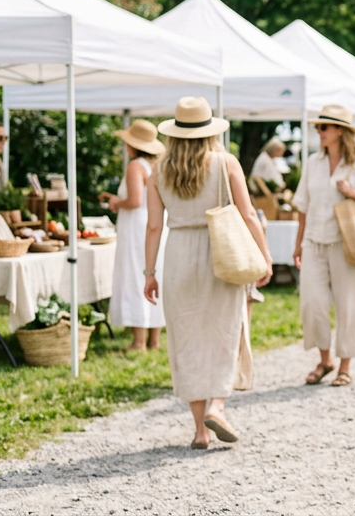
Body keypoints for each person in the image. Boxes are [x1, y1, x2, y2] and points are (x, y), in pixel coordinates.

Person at [143, 97, 270, 449]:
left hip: (179, 253)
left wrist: (149, 272)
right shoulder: (225, 162)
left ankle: (200, 431)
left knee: (187, 339)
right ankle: (218, 405)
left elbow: (154, 226)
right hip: (221, 251)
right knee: (224, 331)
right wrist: (264, 255)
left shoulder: (158, 170)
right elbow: (247, 215)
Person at [291, 105, 355, 387]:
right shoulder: (313, 162)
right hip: (313, 241)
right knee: (313, 305)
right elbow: (302, 206)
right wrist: (298, 244)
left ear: (340, 131)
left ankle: (345, 365)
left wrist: (351, 192)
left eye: (323, 127)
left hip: (349, 244)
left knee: (349, 306)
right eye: (318, 128)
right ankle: (325, 360)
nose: (318, 132)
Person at [103, 120, 166, 351]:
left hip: (136, 228)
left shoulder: (135, 167)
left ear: (132, 145)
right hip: (155, 223)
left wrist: (116, 202)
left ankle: (139, 341)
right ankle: (154, 340)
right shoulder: (156, 165)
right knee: (153, 274)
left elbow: (135, 201)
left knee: (136, 276)